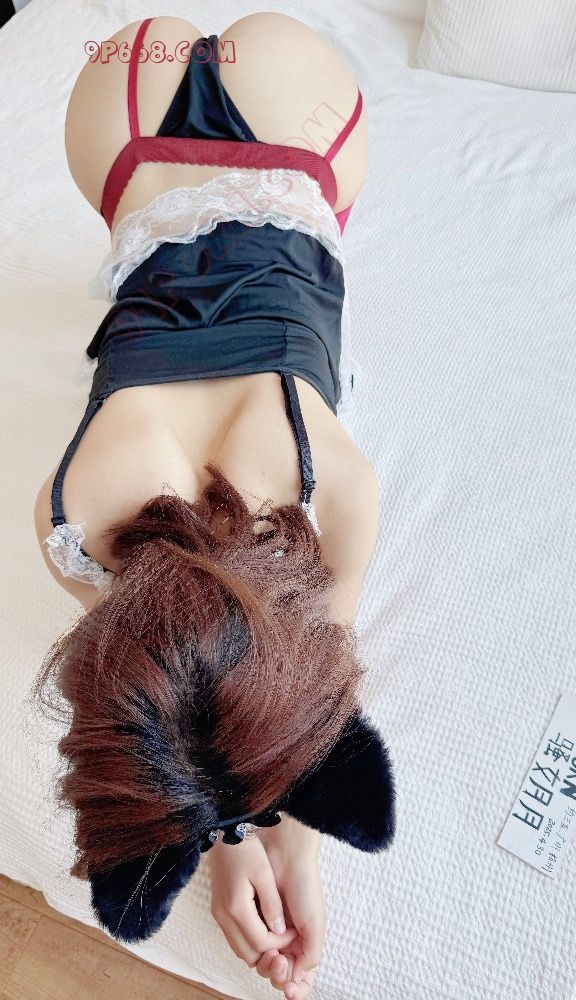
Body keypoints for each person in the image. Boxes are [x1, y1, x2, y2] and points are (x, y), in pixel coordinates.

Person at [31, 14, 379, 1000]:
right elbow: (164, 681)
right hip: (126, 119)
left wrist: (248, 842)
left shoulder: (336, 490)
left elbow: (305, 698)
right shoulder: (69, 516)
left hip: (265, 118)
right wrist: (258, 843)